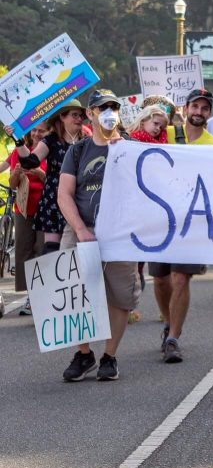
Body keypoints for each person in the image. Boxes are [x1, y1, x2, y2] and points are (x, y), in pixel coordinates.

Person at [56, 89, 141, 382]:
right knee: (74, 294)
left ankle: (109, 356)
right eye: (102, 108)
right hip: (82, 229)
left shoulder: (131, 148)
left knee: (119, 296)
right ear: (90, 114)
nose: (108, 112)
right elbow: (64, 194)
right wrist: (80, 229)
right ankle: (83, 354)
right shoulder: (78, 151)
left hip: (120, 233)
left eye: (113, 107)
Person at [150, 89, 213, 363]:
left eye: (204, 108)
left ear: (209, 113)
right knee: (160, 278)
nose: (199, 112)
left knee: (181, 277)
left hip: (193, 220)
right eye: (195, 106)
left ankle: (173, 338)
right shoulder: (164, 133)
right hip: (160, 218)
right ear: (185, 108)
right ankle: (169, 322)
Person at [12, 99, 89, 255]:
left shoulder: (86, 141)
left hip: (80, 198)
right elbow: (29, 162)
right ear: (62, 117)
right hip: (54, 199)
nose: (79, 119)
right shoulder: (52, 139)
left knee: (80, 247)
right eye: (74, 115)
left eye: (81, 116)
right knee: (52, 251)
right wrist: (18, 141)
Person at [4, 124, 48, 308]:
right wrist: (15, 173)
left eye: (41, 131)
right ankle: (32, 294)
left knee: (42, 249)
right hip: (23, 209)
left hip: (45, 208)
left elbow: (56, 180)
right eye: (34, 130)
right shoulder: (20, 151)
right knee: (24, 250)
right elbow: (13, 185)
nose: (37, 133)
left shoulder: (48, 149)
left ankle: (44, 293)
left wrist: (39, 172)